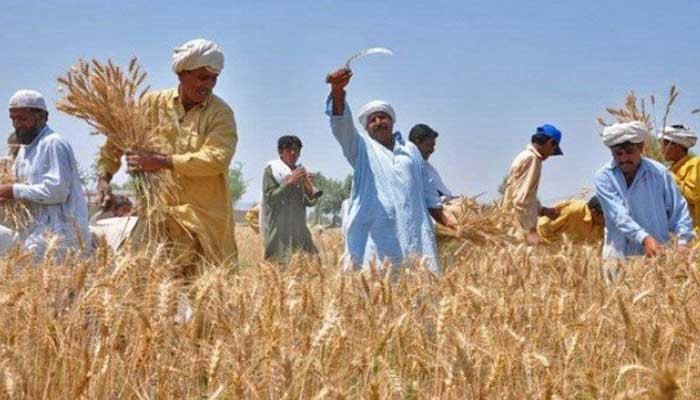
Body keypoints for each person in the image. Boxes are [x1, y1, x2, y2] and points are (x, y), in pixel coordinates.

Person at [96, 38, 238, 265]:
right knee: (146, 281)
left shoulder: (221, 114)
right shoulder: (151, 104)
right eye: (203, 77)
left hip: (202, 222)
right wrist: (104, 177)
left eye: (214, 78)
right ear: (181, 73)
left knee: (208, 286)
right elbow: (117, 138)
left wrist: (161, 161)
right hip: (156, 219)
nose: (209, 84)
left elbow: (216, 159)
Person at [325, 68, 456, 274]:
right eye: (372, 120)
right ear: (366, 128)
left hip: (414, 237)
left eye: (383, 117)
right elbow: (342, 125)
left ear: (392, 121)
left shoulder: (410, 150)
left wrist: (447, 222)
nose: (378, 122)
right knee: (376, 285)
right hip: (377, 239)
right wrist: (337, 91)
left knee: (417, 286)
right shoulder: (360, 148)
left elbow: (429, 192)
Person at [0, 89, 90, 256]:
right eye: (13, 119)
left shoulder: (53, 143)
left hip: (62, 235)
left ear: (42, 117)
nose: (17, 124)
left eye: (22, 119)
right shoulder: (24, 151)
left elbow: (58, 191)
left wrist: (12, 190)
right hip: (36, 233)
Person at [595, 121, 694, 260]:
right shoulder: (604, 177)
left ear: (640, 147)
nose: (624, 159)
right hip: (618, 258)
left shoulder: (659, 173)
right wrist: (644, 238)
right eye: (618, 154)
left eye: (629, 152)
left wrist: (682, 241)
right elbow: (618, 215)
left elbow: (678, 209)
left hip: (659, 255)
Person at [260, 135, 320, 262]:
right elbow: (270, 198)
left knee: (312, 265)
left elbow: (309, 202)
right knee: (280, 266)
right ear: (280, 151)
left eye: (296, 150)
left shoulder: (299, 171)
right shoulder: (273, 169)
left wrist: (309, 187)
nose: (293, 153)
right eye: (288, 150)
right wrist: (289, 182)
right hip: (280, 233)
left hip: (300, 230)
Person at [501, 124, 563, 243]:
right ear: (551, 143)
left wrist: (543, 210)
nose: (550, 155)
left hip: (513, 222)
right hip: (519, 226)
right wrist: (530, 231)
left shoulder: (526, 156)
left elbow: (526, 196)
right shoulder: (532, 159)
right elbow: (521, 198)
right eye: (553, 150)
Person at [659, 124, 700, 231]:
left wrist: (670, 178)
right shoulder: (671, 169)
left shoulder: (695, 163)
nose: (661, 149)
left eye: (664, 144)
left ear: (677, 146)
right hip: (677, 234)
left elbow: (693, 195)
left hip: (695, 233)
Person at [408, 123, 454, 199]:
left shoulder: (427, 167)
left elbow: (445, 194)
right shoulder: (408, 165)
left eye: (433, 146)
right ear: (417, 142)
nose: (432, 150)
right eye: (429, 145)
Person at [537, 196, 605, 244]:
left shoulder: (603, 224)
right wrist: (559, 245)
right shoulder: (573, 211)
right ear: (594, 212)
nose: (608, 220)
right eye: (606, 216)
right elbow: (543, 225)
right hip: (543, 247)